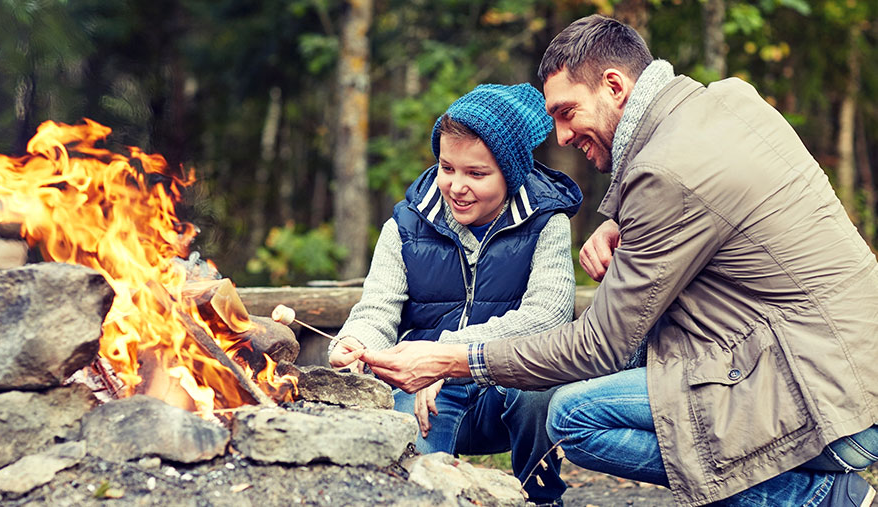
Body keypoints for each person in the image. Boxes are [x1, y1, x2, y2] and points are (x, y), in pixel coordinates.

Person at [358, 14, 878, 507]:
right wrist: (620, 219)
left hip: (832, 407)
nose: (559, 136)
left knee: (574, 415)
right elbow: (709, 193)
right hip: (854, 365)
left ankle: (812, 496)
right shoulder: (728, 100)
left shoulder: (665, 177)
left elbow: (598, 346)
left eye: (566, 113)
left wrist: (449, 359)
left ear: (614, 85)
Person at [328, 83, 583, 505]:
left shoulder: (546, 223)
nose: (457, 186)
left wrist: (445, 355)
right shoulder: (406, 225)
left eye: (476, 174)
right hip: (426, 395)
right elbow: (377, 309)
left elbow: (548, 317)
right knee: (421, 490)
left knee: (541, 389)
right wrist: (357, 341)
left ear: (511, 172)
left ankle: (540, 497)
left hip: (503, 393)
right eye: (448, 168)